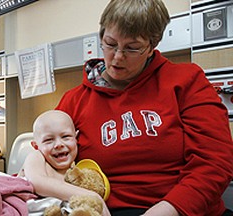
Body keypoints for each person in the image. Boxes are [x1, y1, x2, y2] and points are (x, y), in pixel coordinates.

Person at [55, 0, 233, 215]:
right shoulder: (75, 101)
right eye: (110, 44)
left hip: (180, 209)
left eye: (132, 48)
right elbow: (44, 159)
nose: (118, 56)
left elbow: (214, 162)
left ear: (152, 46)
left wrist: (169, 209)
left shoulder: (186, 81)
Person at [19, 110, 111, 216]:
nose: (59, 144)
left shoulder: (75, 173)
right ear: (36, 146)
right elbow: (37, 182)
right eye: (48, 140)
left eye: (65, 137)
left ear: (76, 138)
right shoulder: (37, 157)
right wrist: (93, 196)